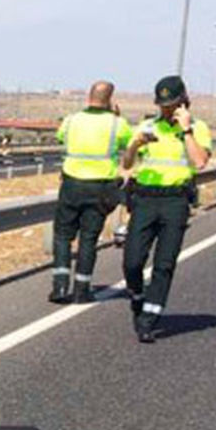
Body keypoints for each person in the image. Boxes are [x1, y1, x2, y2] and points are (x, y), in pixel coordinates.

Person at [120, 75, 211, 343]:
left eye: (172, 104)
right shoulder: (148, 125)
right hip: (146, 200)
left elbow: (200, 162)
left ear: (183, 101)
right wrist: (135, 146)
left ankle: (148, 319)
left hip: (175, 202)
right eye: (163, 104)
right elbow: (127, 164)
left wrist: (186, 131)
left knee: (164, 263)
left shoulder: (198, 128)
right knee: (132, 261)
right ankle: (137, 296)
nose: (167, 109)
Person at [49, 80, 132, 303]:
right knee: (88, 239)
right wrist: (115, 116)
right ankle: (82, 289)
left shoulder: (71, 120)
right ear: (110, 99)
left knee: (63, 236)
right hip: (100, 188)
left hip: (71, 185)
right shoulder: (117, 124)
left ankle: (59, 286)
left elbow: (60, 137)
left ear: (89, 96)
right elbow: (130, 144)